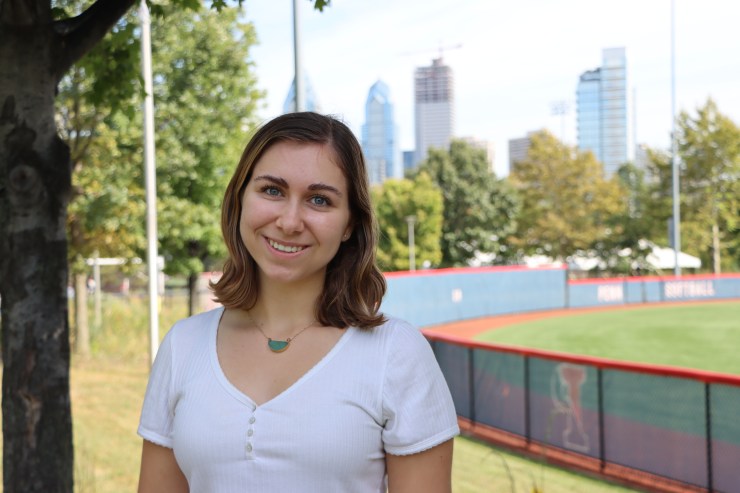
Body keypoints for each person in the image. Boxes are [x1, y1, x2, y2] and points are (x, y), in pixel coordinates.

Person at [137, 112, 459, 492]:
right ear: (240, 199)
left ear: (350, 224)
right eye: (272, 190)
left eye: (319, 200)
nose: (290, 222)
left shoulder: (396, 353)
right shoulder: (183, 345)